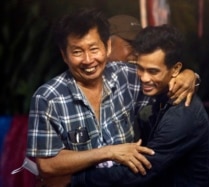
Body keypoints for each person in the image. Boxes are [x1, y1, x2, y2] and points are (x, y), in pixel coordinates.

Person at [26, 8, 198, 187]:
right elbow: (46, 164)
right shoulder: (47, 98)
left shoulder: (127, 76)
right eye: (77, 52)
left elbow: (168, 78)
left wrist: (190, 75)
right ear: (64, 55)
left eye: (94, 49)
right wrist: (108, 152)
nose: (88, 60)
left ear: (107, 47)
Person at [71, 24, 209, 187]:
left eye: (153, 71)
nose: (144, 78)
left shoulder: (181, 115)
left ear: (175, 69)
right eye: (140, 68)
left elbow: (141, 172)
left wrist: (74, 179)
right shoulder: (158, 95)